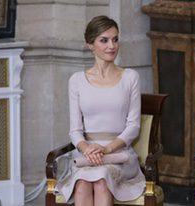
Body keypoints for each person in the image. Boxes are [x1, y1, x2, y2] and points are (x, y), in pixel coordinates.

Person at [56, 15, 145, 206]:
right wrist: (87, 149)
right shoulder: (76, 80)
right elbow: (75, 130)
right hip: (87, 156)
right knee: (82, 185)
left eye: (115, 39)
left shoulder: (131, 77)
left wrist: (106, 149)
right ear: (90, 44)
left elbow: (133, 127)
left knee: (101, 181)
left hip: (119, 155)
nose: (111, 46)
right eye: (104, 40)